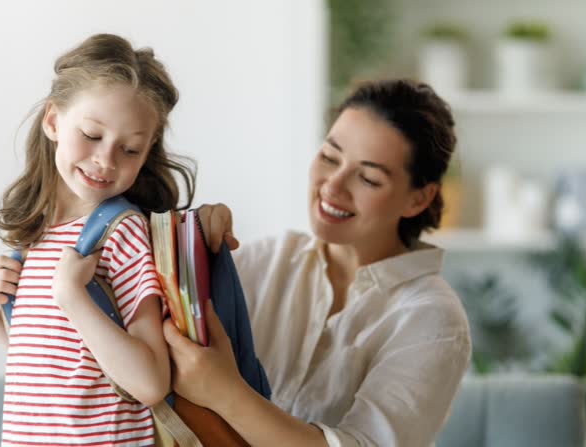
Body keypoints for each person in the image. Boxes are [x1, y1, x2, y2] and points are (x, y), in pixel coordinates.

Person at [165, 79, 471, 446]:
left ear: (418, 199)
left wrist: (224, 392)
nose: (333, 186)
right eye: (329, 157)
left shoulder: (431, 318)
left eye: (369, 178)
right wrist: (193, 240)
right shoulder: (266, 261)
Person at [0, 33, 195, 447]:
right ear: (52, 121)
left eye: (130, 149)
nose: (106, 160)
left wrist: (73, 295)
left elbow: (149, 382)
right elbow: (53, 371)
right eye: (91, 135)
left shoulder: (121, 233)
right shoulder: (36, 237)